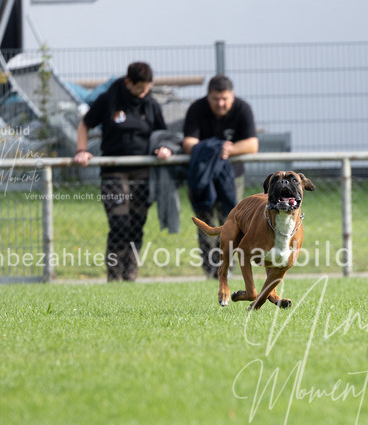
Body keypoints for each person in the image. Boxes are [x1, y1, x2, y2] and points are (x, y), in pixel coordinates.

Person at [75, 62, 173, 281]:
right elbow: (84, 125)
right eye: (140, 88)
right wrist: (81, 150)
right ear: (128, 82)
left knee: (137, 223)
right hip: (114, 171)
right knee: (119, 222)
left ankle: (130, 274)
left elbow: (163, 135)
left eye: (147, 88)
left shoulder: (151, 104)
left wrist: (164, 148)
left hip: (143, 172)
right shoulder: (108, 100)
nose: (144, 92)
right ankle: (114, 274)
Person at [182, 75, 259, 278]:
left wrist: (229, 149)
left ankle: (227, 269)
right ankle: (210, 270)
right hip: (202, 176)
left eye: (225, 98)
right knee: (205, 222)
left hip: (232, 177)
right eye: (216, 99)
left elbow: (252, 144)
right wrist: (213, 148)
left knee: (231, 222)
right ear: (208, 96)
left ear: (232, 96)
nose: (220, 103)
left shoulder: (242, 108)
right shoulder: (197, 109)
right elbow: (188, 143)